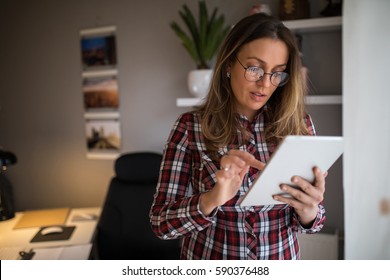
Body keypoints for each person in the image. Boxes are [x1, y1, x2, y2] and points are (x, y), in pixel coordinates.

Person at [149, 13, 326, 260]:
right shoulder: (190, 127)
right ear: (229, 64)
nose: (265, 84)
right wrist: (211, 199)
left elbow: (314, 223)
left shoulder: (300, 125)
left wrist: (309, 210)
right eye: (255, 68)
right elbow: (161, 223)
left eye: (277, 73)